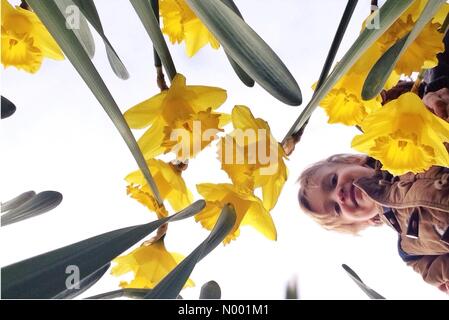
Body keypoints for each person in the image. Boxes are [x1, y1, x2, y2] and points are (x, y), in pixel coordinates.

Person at [297, 30, 449, 294]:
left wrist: (431, 98)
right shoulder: (409, 250)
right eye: (335, 208)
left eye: (333, 181)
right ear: (359, 223)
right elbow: (440, 277)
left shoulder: (388, 133)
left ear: (354, 159)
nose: (340, 195)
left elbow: (401, 92)